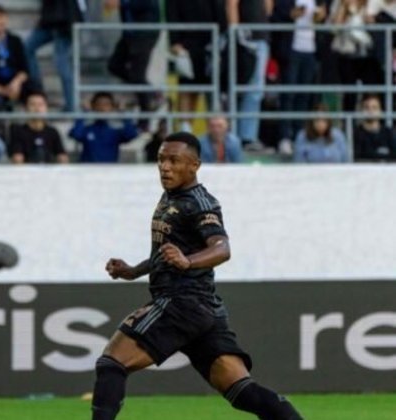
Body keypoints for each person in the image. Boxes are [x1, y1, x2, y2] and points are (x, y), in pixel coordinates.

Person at [91, 131, 303, 420]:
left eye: (174, 160)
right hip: (204, 310)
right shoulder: (171, 197)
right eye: (161, 160)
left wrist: (188, 261)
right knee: (242, 391)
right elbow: (167, 254)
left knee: (112, 363)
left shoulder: (200, 203)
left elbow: (222, 248)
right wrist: (133, 271)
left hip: (182, 303)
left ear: (194, 165)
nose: (165, 167)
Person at [166, 0, 222, 132]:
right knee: (187, 89)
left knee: (214, 93)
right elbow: (171, 14)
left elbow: (220, 14)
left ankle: (215, 132)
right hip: (186, 47)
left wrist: (221, 43)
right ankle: (185, 130)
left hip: (211, 46)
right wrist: (175, 43)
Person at [278, 0, 326, 154]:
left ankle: (299, 135)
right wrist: (292, 15)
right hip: (292, 50)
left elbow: (322, 18)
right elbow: (277, 16)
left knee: (304, 96)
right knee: (288, 95)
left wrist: (320, 16)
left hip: (311, 51)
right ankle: (285, 137)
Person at [25, 0, 86, 112]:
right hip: (50, 19)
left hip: (65, 19)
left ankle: (72, 105)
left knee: (61, 62)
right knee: (26, 48)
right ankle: (37, 90)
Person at [226, 0, 271, 149]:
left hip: (261, 38)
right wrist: (236, 32)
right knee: (243, 88)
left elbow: (268, 10)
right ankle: (242, 136)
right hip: (246, 39)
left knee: (256, 90)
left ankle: (247, 135)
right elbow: (231, 4)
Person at [69, 92, 138, 163]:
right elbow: (76, 134)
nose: (102, 108)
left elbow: (132, 134)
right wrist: (85, 112)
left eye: (106, 105)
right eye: (99, 104)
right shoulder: (87, 129)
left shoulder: (115, 132)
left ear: (112, 108)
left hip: (110, 168)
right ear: (93, 107)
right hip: (88, 168)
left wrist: (122, 113)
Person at [9, 92, 68, 164]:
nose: (37, 109)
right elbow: (17, 159)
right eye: (33, 105)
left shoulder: (52, 132)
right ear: (25, 108)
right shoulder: (18, 132)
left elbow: (62, 156)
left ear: (46, 108)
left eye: (40, 105)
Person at [353, 95, 396, 162]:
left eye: (374, 108)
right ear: (361, 110)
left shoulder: (389, 133)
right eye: (367, 107)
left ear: (380, 110)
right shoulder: (356, 134)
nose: (371, 111)